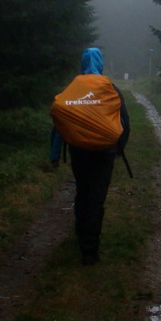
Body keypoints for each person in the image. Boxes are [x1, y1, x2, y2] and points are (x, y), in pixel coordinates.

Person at [50, 48, 130, 265]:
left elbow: (59, 121)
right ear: (101, 63)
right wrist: (119, 147)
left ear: (83, 62)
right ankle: (89, 250)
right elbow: (124, 121)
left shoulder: (74, 88)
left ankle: (80, 230)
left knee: (83, 190)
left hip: (79, 151)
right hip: (105, 153)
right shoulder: (109, 88)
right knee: (97, 197)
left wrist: (54, 154)